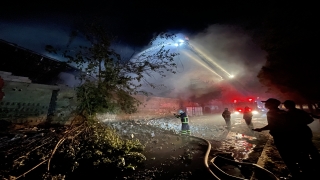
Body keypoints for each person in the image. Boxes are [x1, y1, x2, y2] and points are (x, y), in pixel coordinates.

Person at [252, 98, 302, 179]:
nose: (265, 105)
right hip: (290, 135)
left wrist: (261, 129)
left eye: (267, 103)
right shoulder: (283, 112)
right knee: (294, 154)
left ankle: (295, 174)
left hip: (280, 136)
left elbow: (272, 125)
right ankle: (301, 172)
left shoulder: (271, 112)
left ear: (272, 104)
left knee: (286, 156)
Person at [283, 100, 320, 175]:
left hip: (296, 133)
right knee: (310, 146)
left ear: (287, 106)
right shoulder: (301, 112)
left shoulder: (287, 114)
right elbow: (310, 120)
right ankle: (316, 162)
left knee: (301, 149)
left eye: (285, 105)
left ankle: (308, 167)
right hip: (305, 131)